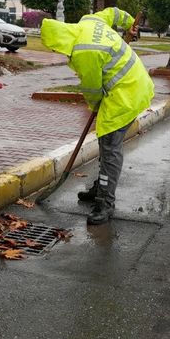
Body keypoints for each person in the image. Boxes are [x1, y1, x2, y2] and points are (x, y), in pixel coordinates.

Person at [40, 13, 154, 225]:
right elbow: (113, 12)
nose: (57, 52)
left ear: (61, 40)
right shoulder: (88, 20)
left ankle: (105, 202)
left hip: (126, 94)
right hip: (135, 84)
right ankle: (101, 187)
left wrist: (95, 109)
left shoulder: (84, 52)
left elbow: (92, 90)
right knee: (105, 141)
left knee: (110, 146)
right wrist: (129, 24)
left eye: (55, 49)